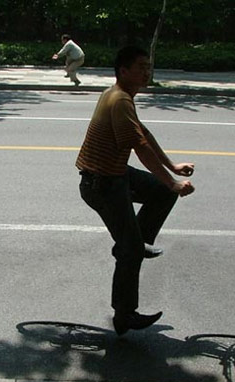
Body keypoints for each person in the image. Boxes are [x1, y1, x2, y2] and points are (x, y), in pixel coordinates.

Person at [76, 45, 196, 336]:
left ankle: (134, 244)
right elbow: (139, 147)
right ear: (123, 71)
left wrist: (172, 167)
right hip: (101, 183)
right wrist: (173, 183)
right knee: (131, 250)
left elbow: (143, 134)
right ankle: (125, 313)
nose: (147, 71)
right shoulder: (118, 100)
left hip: (113, 175)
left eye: (148, 66)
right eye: (141, 66)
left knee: (160, 195)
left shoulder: (122, 98)